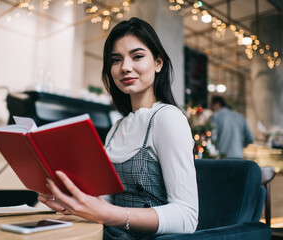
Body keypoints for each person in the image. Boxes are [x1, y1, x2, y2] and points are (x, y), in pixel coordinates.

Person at [38, 17, 198, 239]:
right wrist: (73, 203)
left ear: (158, 63)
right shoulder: (116, 127)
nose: (125, 67)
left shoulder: (168, 119)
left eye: (137, 56)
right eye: (116, 60)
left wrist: (111, 214)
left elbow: (187, 216)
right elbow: (106, 203)